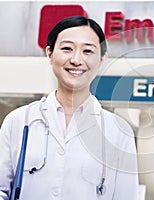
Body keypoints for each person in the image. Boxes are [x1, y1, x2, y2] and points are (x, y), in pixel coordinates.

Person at [0, 16, 139, 200]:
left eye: (88, 51)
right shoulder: (19, 121)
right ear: (49, 54)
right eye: (67, 48)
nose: (76, 60)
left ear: (102, 59)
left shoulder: (119, 132)